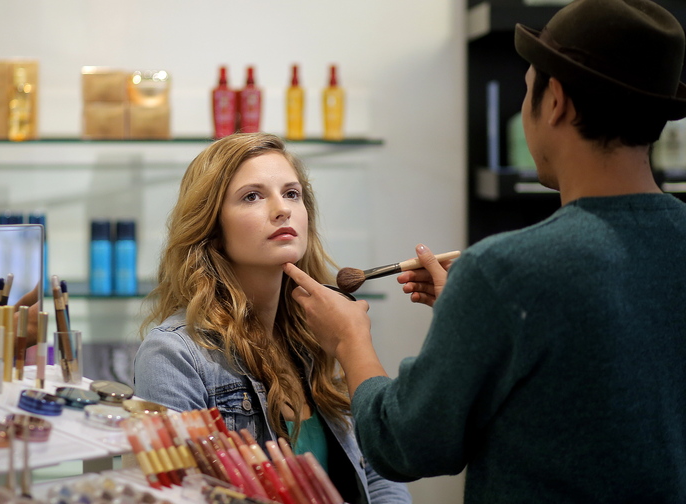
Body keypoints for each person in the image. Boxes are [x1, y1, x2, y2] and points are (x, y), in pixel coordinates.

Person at [283, 0, 686, 501]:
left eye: (526, 92)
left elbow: (404, 444)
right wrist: (474, 313)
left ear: (554, 100)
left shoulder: (506, 272)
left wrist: (349, 342)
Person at [133, 132, 411, 503]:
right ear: (213, 229)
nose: (282, 209)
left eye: (292, 193)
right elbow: (176, 494)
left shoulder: (318, 335)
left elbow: (379, 472)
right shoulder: (174, 355)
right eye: (252, 196)